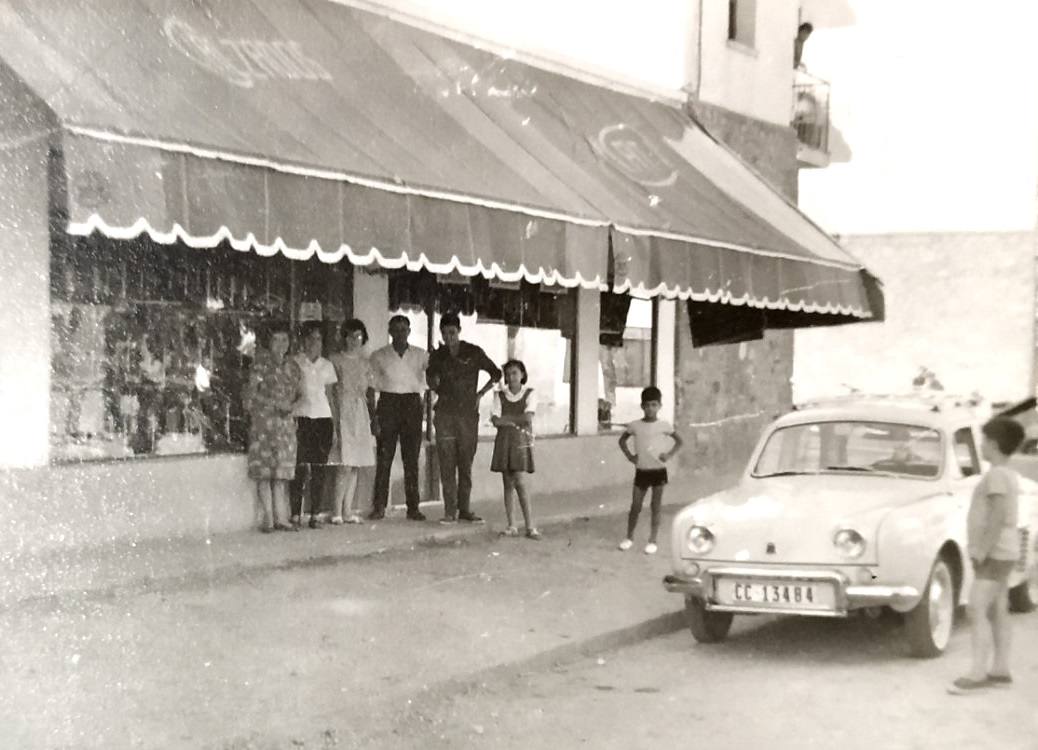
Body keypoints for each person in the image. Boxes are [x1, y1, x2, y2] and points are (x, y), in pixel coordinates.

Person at [948, 416, 1025, 694]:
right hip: (1005, 552)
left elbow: (998, 516)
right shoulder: (1007, 474)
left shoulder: (995, 476)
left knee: (975, 608)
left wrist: (981, 549)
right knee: (997, 609)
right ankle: (1000, 669)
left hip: (995, 553)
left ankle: (978, 673)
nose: (980, 445)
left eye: (983, 440)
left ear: (992, 444)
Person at [427, 313, 502, 524]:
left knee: (465, 463)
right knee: (447, 463)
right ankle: (450, 511)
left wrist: (480, 394)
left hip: (468, 415)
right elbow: (431, 383)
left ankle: (465, 509)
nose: (448, 337)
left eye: (452, 332)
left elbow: (496, 373)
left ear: (459, 331)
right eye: (444, 333)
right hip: (444, 415)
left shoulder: (473, 352)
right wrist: (434, 377)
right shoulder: (437, 355)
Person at [243, 320, 302, 533]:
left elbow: (300, 394)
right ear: (268, 342)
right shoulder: (260, 364)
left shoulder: (293, 366)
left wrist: (291, 406)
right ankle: (268, 519)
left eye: (284, 340)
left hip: (285, 425)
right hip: (264, 423)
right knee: (264, 472)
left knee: (281, 474)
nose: (280, 344)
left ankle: (282, 518)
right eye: (276, 340)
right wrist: (270, 405)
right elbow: (251, 393)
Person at [369, 315, 429, 521]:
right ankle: (379, 507)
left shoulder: (421, 355)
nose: (400, 333)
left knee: (411, 459)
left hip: (412, 404)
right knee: (384, 458)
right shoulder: (379, 356)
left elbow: (433, 380)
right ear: (390, 331)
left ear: (409, 332)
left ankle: (413, 507)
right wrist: (373, 417)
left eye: (404, 329)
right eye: (396, 329)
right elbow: (371, 388)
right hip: (388, 404)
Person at [617, 386, 683, 554]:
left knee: (656, 506)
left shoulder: (664, 425)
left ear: (659, 406)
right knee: (636, 506)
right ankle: (629, 537)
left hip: (658, 470)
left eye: (654, 405)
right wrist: (631, 457)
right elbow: (622, 441)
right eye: (647, 405)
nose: (650, 408)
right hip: (642, 471)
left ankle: (653, 540)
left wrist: (669, 455)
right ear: (642, 407)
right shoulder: (635, 425)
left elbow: (679, 441)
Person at [290, 321, 338, 529]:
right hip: (301, 417)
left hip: (322, 419)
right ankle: (295, 514)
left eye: (318, 339)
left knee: (319, 469)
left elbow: (331, 397)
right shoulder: (295, 363)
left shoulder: (327, 366)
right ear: (303, 341)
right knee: (299, 468)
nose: (314, 343)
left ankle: (315, 514)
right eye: (310, 338)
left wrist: (335, 426)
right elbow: (290, 392)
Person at [328, 319, 376, 525]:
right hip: (343, 411)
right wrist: (334, 419)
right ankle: (336, 511)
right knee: (344, 464)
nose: (354, 341)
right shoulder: (335, 360)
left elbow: (370, 389)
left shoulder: (366, 362)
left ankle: (348, 510)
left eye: (357, 336)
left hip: (360, 412)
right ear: (343, 338)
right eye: (349, 336)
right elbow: (331, 392)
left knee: (355, 464)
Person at [490, 359, 539, 540]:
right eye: (508, 374)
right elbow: (495, 420)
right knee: (507, 482)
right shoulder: (499, 395)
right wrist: (509, 420)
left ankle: (530, 525)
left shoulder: (530, 393)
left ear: (523, 375)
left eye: (515, 373)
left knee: (519, 480)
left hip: (520, 440)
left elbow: (528, 418)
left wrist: (506, 420)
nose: (511, 377)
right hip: (504, 440)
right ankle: (511, 525)